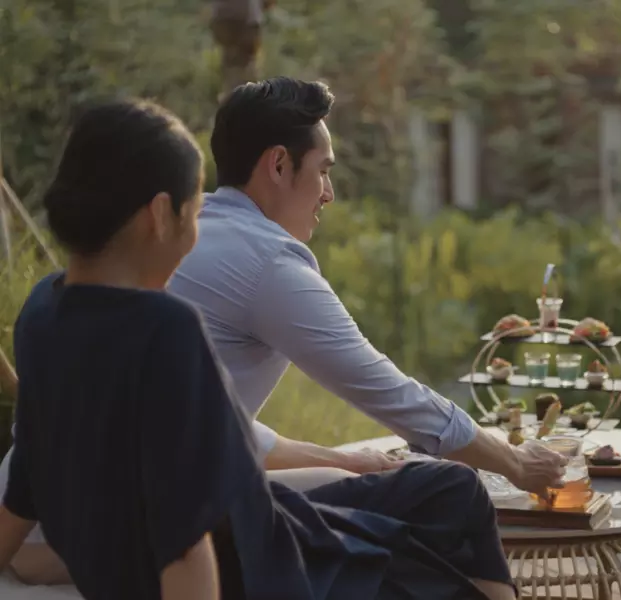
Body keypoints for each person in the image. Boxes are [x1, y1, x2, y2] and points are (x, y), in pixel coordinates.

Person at [0, 97, 531, 600]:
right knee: (448, 497)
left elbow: (27, 474)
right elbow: (187, 538)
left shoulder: (42, 309)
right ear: (160, 216)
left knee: (401, 504)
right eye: (193, 213)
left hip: (169, 532)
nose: (195, 238)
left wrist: (341, 460)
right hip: (250, 553)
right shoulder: (168, 325)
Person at [168, 77, 565, 494]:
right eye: (323, 171)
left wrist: (350, 461)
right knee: (448, 494)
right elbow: (388, 391)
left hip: (131, 492)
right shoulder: (268, 261)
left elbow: (207, 422)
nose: (329, 194)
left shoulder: (192, 234)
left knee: (378, 479)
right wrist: (514, 462)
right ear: (280, 164)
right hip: (183, 513)